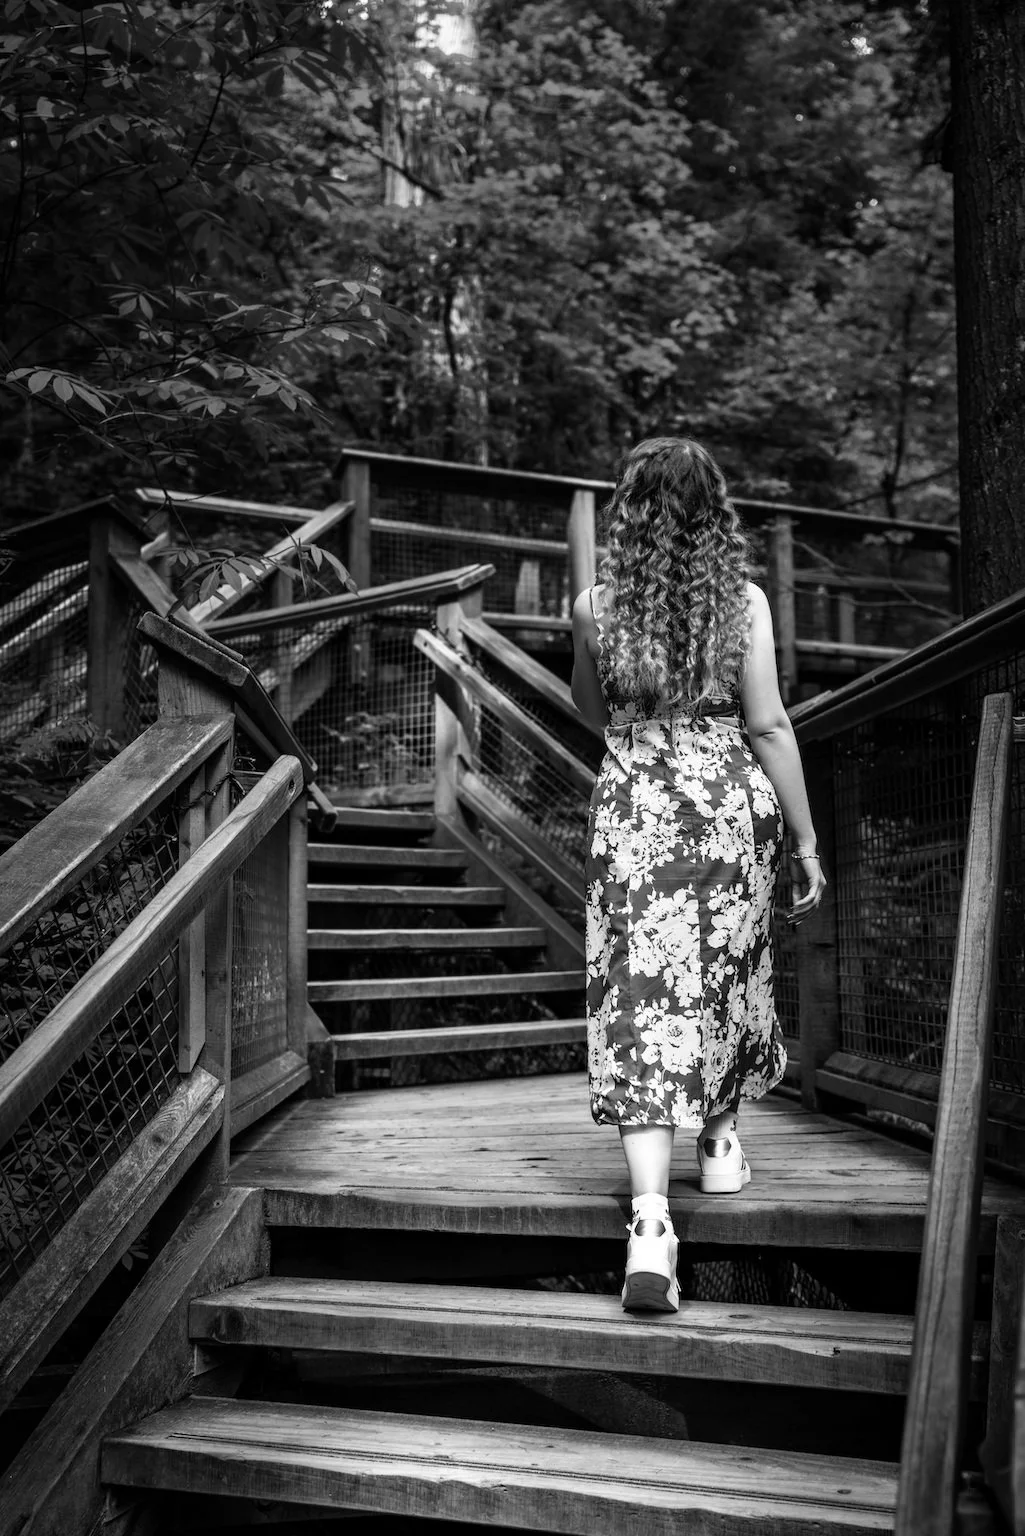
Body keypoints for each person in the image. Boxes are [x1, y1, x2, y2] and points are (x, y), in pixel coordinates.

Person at [571, 436, 826, 1314]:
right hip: (725, 807)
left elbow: (592, 712)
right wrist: (803, 841)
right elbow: (768, 726)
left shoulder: (595, 605)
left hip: (635, 809)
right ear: (712, 511)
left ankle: (649, 1222)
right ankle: (718, 1147)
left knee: (639, 993)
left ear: (629, 512)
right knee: (724, 973)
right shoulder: (744, 603)